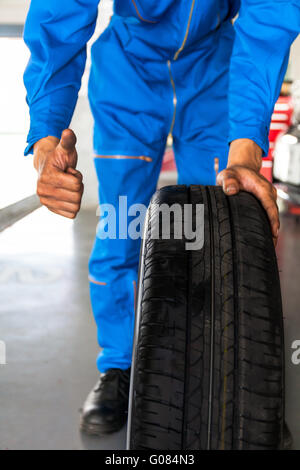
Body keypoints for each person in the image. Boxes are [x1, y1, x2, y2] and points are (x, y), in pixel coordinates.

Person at [23, 0, 299, 437]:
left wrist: (245, 148)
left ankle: (235, 378)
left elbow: (270, 14)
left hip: (215, 70)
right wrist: (46, 140)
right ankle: (118, 368)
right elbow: (60, 16)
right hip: (128, 72)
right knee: (121, 228)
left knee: (218, 231)